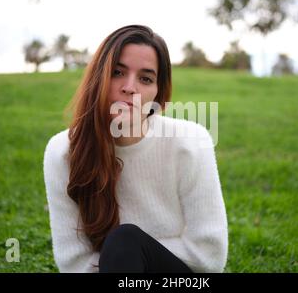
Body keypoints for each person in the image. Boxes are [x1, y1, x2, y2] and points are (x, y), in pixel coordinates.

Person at [43, 24, 228, 273]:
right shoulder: (63, 151)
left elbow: (209, 255)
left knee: (124, 241)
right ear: (99, 77)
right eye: (117, 72)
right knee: (123, 245)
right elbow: (73, 262)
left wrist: (136, 255)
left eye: (145, 78)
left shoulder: (190, 142)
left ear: (157, 93)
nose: (130, 87)